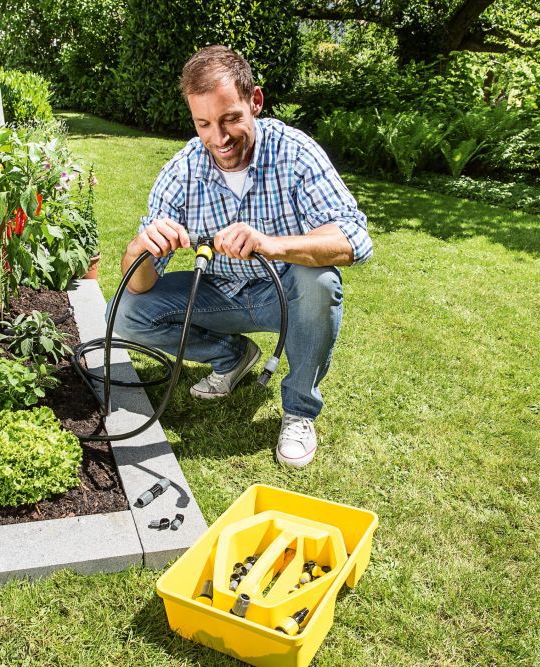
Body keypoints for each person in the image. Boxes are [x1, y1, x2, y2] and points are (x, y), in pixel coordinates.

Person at [110, 46, 372, 467]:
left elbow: (354, 238)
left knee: (319, 282)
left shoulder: (294, 152)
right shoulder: (181, 172)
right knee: (123, 313)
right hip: (218, 293)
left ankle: (300, 410)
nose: (219, 138)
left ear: (256, 101)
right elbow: (140, 285)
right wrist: (139, 248)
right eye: (204, 124)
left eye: (231, 118)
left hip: (284, 295)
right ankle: (231, 357)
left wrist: (273, 244)